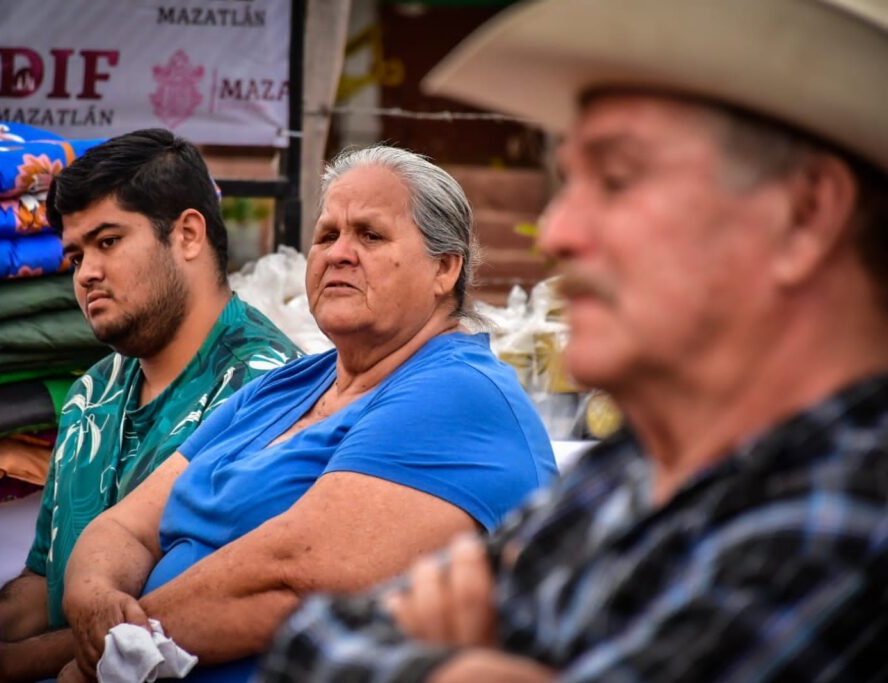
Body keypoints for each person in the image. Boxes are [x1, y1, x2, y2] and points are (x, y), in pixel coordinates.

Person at [259, 1, 888, 681]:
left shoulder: (849, 512)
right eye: (570, 180)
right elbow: (313, 636)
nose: (557, 230)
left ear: (805, 214)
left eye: (616, 179)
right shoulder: (629, 474)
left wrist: (460, 662)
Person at [53, 145, 558, 682]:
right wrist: (93, 600)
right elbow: (125, 528)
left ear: (445, 268)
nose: (339, 253)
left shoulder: (458, 394)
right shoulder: (284, 386)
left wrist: (103, 658)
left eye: (370, 235)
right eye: (326, 235)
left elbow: (288, 579)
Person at [0, 128, 301, 682]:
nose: (85, 272)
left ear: (186, 234)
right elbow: (45, 584)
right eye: (76, 254)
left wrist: (8, 665)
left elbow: (188, 612)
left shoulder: (267, 392)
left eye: (107, 241)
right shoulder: (92, 393)